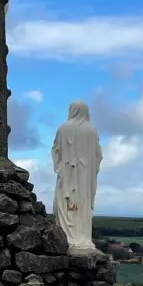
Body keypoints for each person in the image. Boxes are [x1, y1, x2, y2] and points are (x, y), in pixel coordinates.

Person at [51, 100, 103, 252]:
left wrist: (61, 166)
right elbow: (98, 155)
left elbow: (55, 150)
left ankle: (67, 237)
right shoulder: (92, 130)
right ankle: (82, 237)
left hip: (67, 174)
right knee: (83, 202)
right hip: (85, 178)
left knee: (64, 203)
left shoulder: (63, 128)